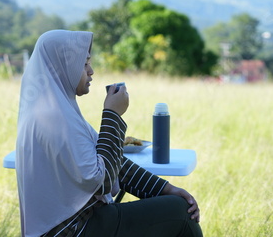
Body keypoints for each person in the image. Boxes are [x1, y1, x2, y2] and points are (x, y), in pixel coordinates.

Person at [16, 30, 203, 237]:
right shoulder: (52, 118)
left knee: (175, 204)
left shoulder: (56, 111)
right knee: (180, 213)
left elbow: (115, 163)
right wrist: (112, 115)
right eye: (84, 63)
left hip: (82, 221)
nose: (91, 71)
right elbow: (102, 180)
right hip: (75, 229)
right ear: (63, 65)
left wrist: (167, 189)